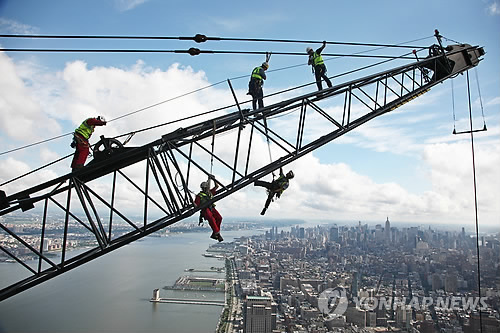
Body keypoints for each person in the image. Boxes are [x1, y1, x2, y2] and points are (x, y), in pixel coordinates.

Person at [194, 175, 223, 242]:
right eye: (204, 188)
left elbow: (217, 186)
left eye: (205, 188)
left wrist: (214, 179)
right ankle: (217, 233)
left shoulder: (210, 192)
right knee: (211, 219)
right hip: (205, 209)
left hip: (211, 208)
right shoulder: (199, 196)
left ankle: (215, 233)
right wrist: (192, 202)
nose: (205, 189)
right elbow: (196, 206)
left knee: (219, 218)